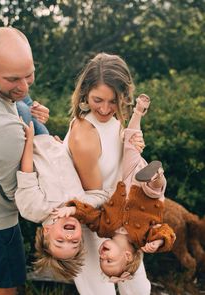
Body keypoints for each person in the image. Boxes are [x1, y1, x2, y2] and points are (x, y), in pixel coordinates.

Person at [53, 94, 176, 282]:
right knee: (153, 188)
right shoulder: (143, 239)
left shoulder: (104, 229)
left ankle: (138, 112)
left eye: (101, 260)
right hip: (145, 192)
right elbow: (167, 232)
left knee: (130, 145)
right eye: (108, 261)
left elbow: (90, 215)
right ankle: (157, 174)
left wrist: (72, 208)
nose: (102, 256)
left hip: (124, 181)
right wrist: (159, 242)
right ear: (127, 256)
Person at [14, 102, 144, 281]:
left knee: (19, 106)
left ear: (47, 232)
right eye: (74, 242)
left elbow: (26, 174)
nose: (68, 236)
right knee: (24, 100)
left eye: (60, 241)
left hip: (29, 143)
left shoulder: (35, 210)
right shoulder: (80, 204)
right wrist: (61, 148)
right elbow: (101, 195)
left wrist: (28, 141)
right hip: (46, 137)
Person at [63, 52, 151, 295]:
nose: (105, 108)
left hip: (120, 215)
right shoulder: (84, 136)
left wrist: (129, 144)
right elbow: (97, 197)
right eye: (97, 100)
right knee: (100, 292)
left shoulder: (113, 122)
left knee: (139, 289)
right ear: (85, 94)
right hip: (95, 222)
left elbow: (118, 164)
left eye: (113, 101)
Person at [0, 27, 49, 295]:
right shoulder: (3, 130)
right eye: (14, 79)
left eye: (29, 75)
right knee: (4, 287)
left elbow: (21, 98)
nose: (25, 86)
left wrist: (27, 108)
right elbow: (13, 194)